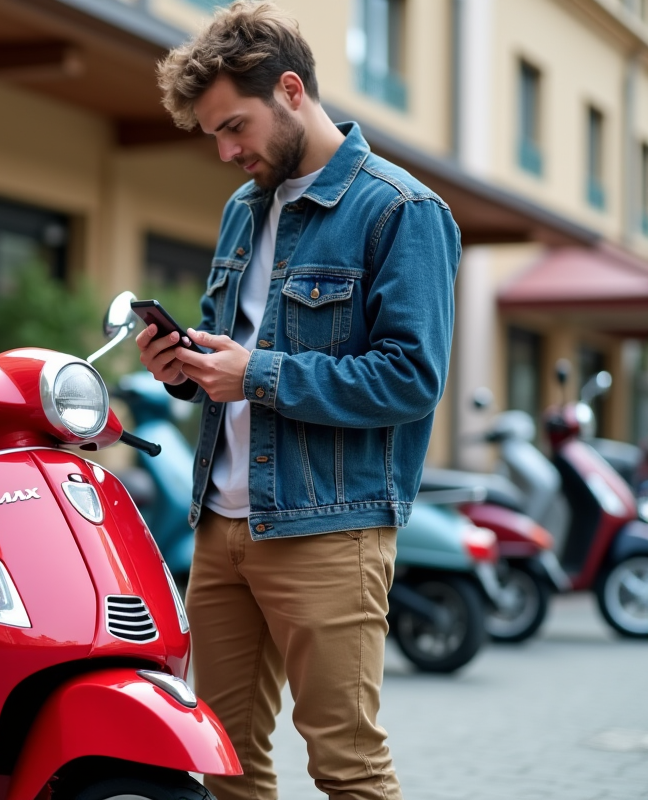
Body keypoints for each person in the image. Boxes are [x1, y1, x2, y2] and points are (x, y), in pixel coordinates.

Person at [140, 3, 460, 799]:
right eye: (214, 135)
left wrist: (257, 374)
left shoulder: (400, 210)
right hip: (219, 526)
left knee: (346, 765)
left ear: (291, 89)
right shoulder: (243, 211)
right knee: (221, 761)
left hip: (330, 528)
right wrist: (185, 368)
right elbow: (233, 350)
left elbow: (411, 378)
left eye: (234, 126)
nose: (226, 151)